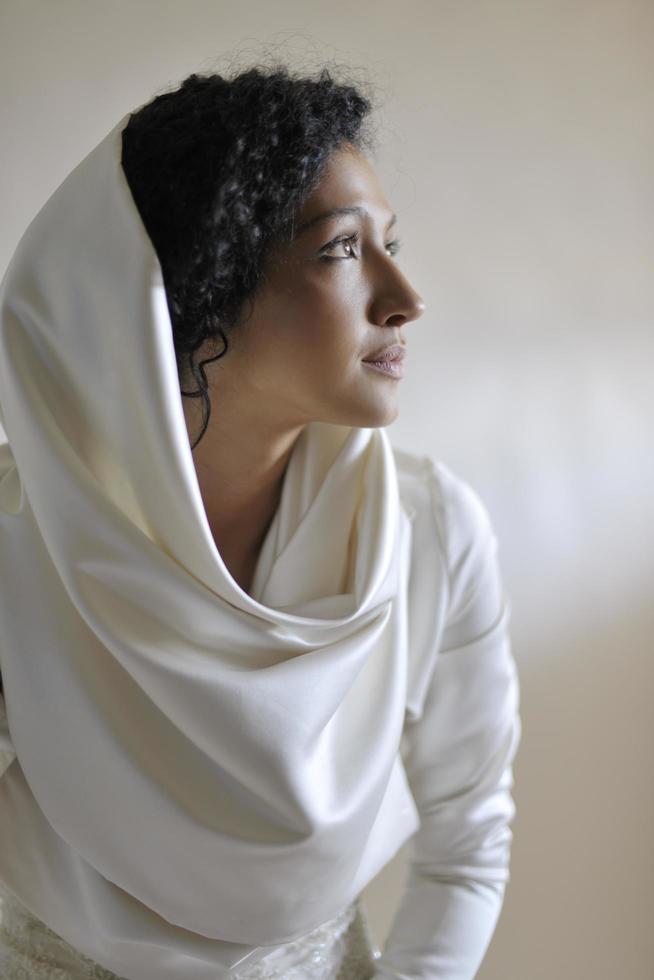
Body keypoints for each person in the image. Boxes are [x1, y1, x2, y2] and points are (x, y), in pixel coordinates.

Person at [0, 63, 522, 979]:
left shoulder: (431, 532)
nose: (405, 296)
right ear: (198, 294)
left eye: (390, 243)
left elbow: (468, 837)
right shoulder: (16, 533)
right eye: (342, 251)